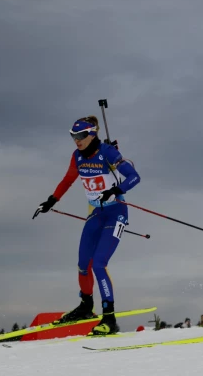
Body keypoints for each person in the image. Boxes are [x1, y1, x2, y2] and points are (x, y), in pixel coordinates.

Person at [32, 116, 141, 334]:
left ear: (92, 134)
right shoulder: (77, 157)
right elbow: (68, 180)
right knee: (83, 264)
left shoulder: (107, 152)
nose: (77, 141)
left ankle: (109, 318)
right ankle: (85, 306)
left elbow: (134, 177)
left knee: (99, 264)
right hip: (96, 214)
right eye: (73, 136)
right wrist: (52, 200)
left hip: (115, 213)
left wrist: (117, 190)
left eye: (81, 136)